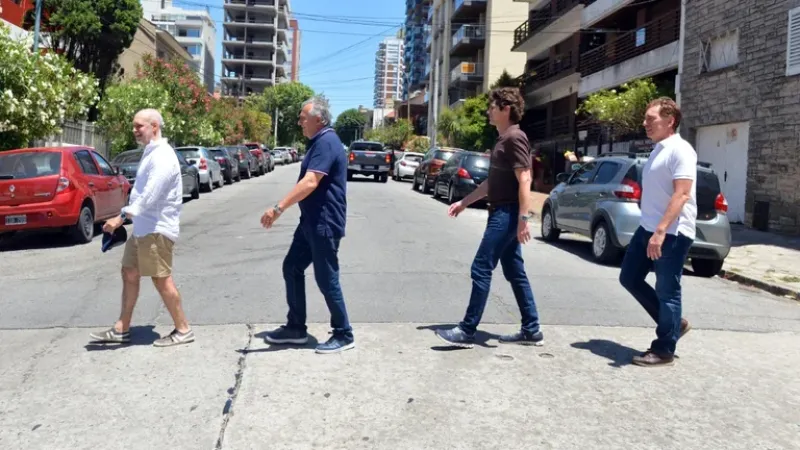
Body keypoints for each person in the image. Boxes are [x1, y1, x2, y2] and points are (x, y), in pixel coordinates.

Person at [435, 87, 543, 348]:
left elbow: (525, 178)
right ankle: (532, 329)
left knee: (481, 267)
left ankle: (467, 330)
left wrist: (523, 219)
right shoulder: (504, 139)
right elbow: (490, 185)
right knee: (515, 271)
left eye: (493, 107)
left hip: (505, 214)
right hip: (502, 210)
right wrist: (463, 202)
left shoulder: (514, 138)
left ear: (506, 109)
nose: (488, 111)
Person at [90, 109, 194, 347]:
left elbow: (150, 195)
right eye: (134, 126)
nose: (135, 130)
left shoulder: (163, 156)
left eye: (140, 126)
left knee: (161, 279)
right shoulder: (151, 152)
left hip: (157, 228)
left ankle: (183, 328)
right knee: (129, 272)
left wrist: (121, 217)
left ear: (154, 126)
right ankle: (121, 328)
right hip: (144, 228)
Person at [260, 96, 354, 354]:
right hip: (310, 222)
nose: (299, 121)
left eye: (303, 117)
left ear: (319, 119)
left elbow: (311, 182)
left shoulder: (327, 142)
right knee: (292, 266)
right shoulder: (318, 142)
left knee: (326, 278)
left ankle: (344, 333)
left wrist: (278, 208)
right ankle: (296, 327)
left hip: (324, 222)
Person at [619, 97, 696, 367]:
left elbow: (682, 194)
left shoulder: (681, 150)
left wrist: (661, 231)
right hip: (648, 228)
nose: (645, 124)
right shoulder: (658, 150)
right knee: (628, 278)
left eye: (651, 119)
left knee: (667, 290)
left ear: (670, 120)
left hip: (672, 233)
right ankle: (674, 324)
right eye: (645, 118)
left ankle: (664, 349)